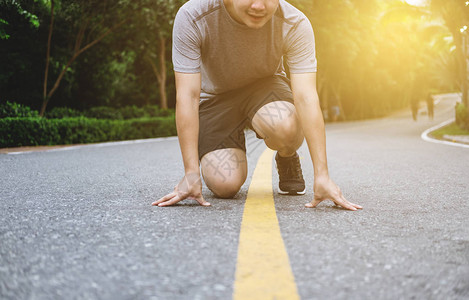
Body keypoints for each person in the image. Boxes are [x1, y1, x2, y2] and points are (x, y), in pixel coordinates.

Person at [152, 0, 362, 211]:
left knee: (284, 126)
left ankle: (287, 156)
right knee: (225, 184)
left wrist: (322, 175)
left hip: (265, 87)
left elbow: (306, 97)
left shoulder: (294, 22)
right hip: (215, 99)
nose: (259, 6)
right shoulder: (193, 16)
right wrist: (190, 173)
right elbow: (188, 96)